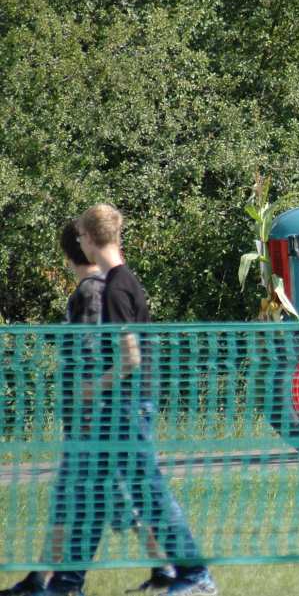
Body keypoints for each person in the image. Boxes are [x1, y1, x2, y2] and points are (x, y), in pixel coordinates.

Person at [42, 205, 217, 596]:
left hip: (128, 406)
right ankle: (67, 583)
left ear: (90, 239)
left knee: (149, 493)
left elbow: (131, 357)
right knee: (92, 493)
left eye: (81, 237)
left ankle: (195, 574)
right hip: (121, 405)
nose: (80, 243)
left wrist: (92, 387)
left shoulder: (117, 288)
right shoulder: (119, 282)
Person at [0, 223, 175, 596]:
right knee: (112, 495)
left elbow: (94, 354)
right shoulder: (97, 289)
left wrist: (88, 405)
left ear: (69, 254)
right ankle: (163, 567)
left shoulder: (92, 292)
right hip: (98, 417)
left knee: (78, 497)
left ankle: (52, 580)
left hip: (95, 419)